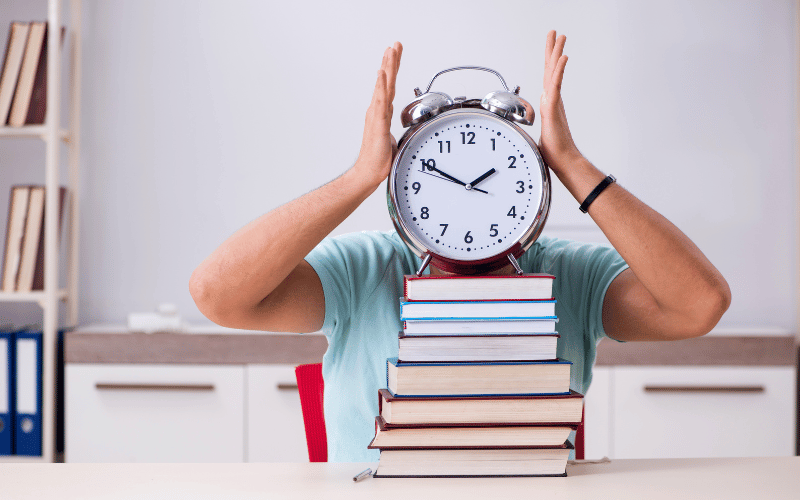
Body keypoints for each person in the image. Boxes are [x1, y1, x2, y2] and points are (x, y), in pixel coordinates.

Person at [189, 31, 731, 462]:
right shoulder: (364, 270)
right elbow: (218, 294)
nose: (471, 201)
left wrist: (570, 163)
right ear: (404, 189)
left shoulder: (569, 275)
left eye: (492, 184)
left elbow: (700, 304)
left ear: (532, 187)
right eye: (438, 184)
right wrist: (359, 177)